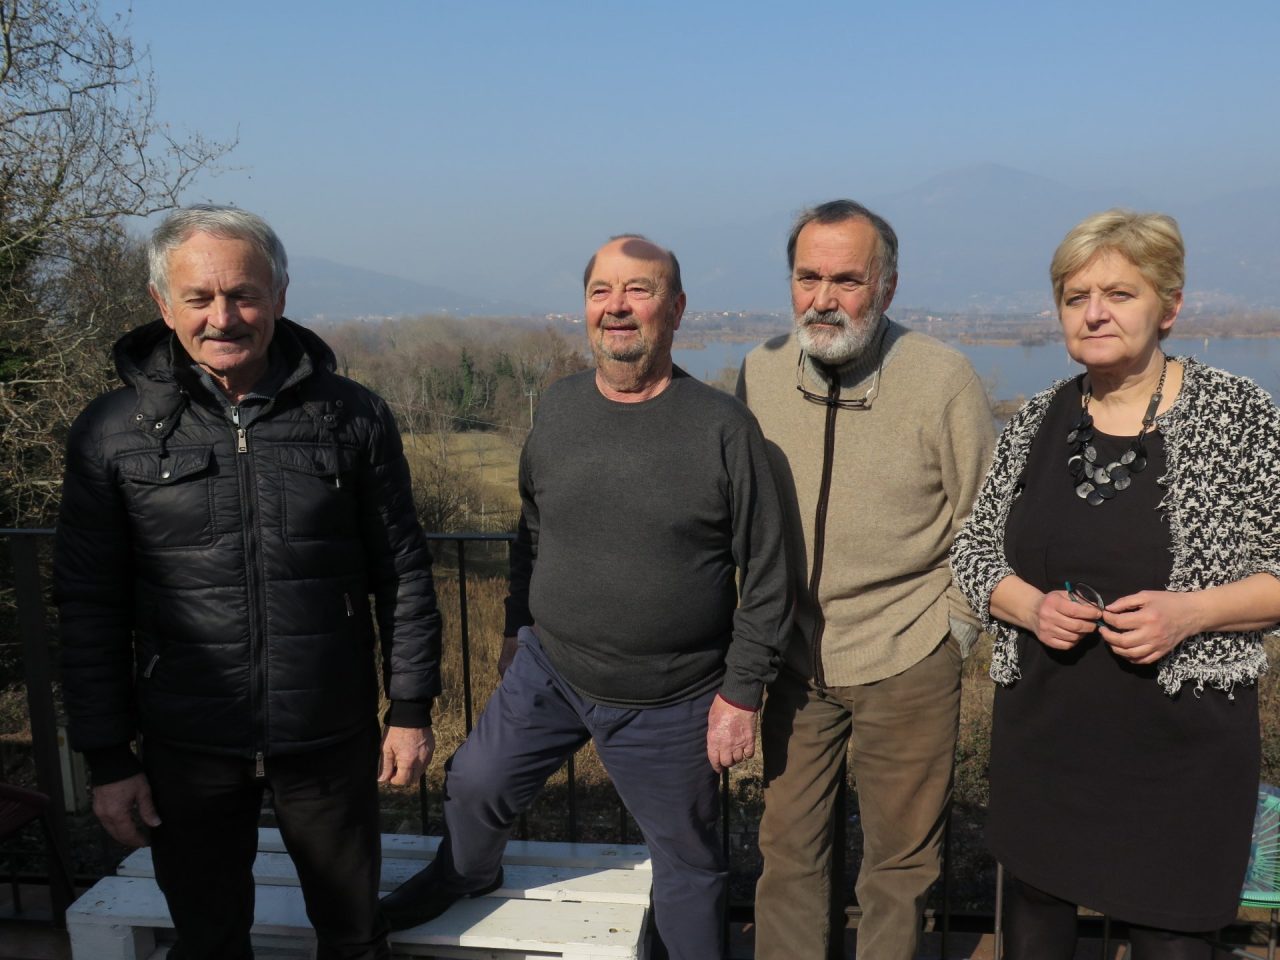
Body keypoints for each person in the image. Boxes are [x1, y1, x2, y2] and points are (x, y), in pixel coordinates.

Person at [378, 234, 791, 959]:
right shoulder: (561, 407)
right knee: (474, 784)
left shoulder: (723, 430)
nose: (618, 307)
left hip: (672, 696)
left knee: (689, 867)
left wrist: (742, 692)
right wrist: (517, 625)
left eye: (639, 290)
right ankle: (466, 874)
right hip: (552, 670)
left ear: (677, 308)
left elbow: (767, 570)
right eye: (602, 291)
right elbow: (531, 527)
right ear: (585, 309)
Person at [55, 205, 442, 960]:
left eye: (244, 294)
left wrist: (410, 708)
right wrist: (109, 758)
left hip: (329, 735)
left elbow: (402, 571)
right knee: (208, 940)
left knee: (355, 937)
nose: (223, 317)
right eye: (199, 298)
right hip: (186, 743)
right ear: (162, 304)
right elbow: (89, 606)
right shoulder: (112, 432)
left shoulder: (351, 417)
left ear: (281, 294)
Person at [950, 209, 1280, 959]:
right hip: (1046, 745)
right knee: (1034, 929)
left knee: (1173, 940)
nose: (1093, 311)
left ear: (1170, 305)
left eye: (1119, 294)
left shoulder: (1236, 415)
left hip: (1181, 757)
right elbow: (972, 553)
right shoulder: (1038, 418)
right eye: (1075, 296)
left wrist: (1190, 615)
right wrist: (1030, 606)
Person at [737, 199, 994, 959]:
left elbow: (984, 520)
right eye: (808, 276)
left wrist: (953, 631)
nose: (824, 298)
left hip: (910, 657)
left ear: (886, 285)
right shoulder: (758, 371)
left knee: (900, 867)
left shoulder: (942, 379)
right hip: (791, 661)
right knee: (786, 857)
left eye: (847, 279)